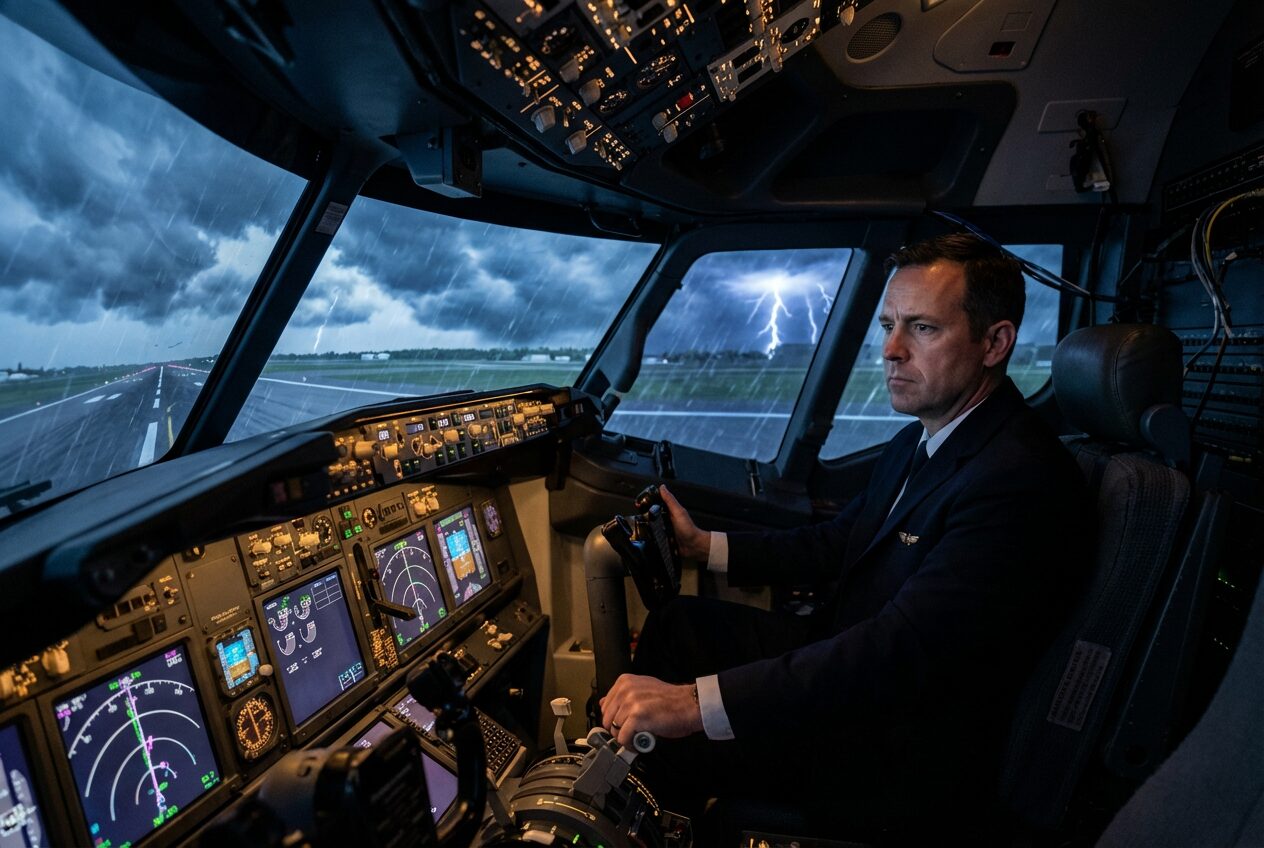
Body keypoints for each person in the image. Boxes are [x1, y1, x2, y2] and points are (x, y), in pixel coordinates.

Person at [598, 233, 1090, 840]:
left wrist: (692, 706)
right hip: (863, 673)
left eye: (923, 330)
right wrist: (707, 547)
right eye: (889, 325)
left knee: (667, 738)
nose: (890, 349)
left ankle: (633, 821)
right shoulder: (928, 435)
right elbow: (841, 539)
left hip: (897, 752)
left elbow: (897, 651)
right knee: (681, 625)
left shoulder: (1017, 480)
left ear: (995, 342)